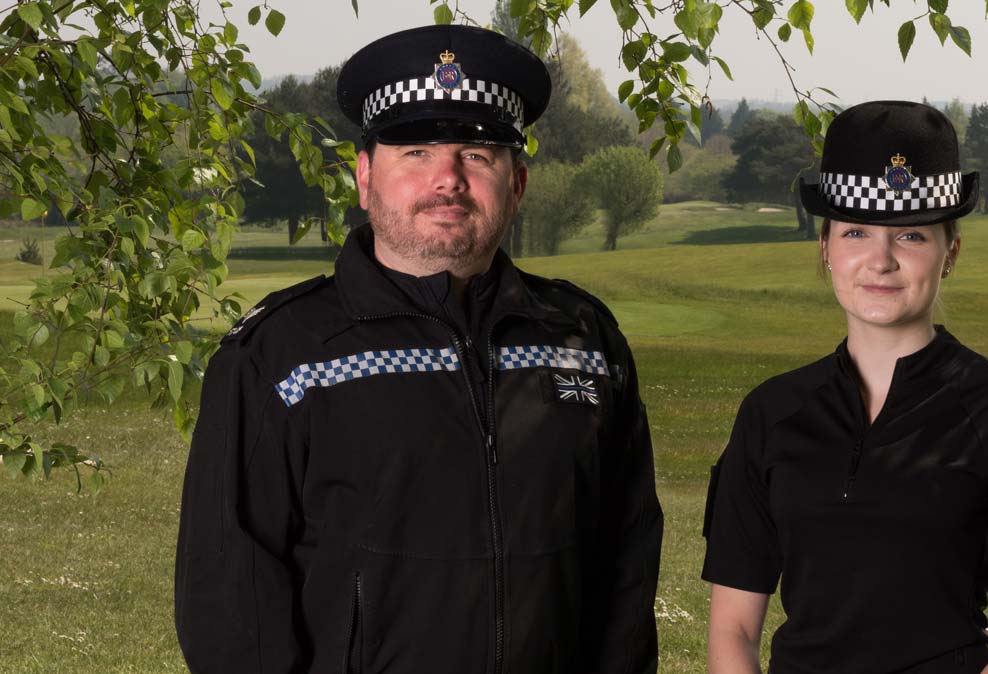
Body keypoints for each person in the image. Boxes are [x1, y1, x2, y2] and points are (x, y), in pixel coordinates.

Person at [175, 25, 663, 674]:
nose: (448, 180)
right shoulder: (279, 358)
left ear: (516, 184)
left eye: (478, 155)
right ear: (365, 176)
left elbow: (626, 571)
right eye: (417, 152)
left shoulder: (583, 340)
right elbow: (230, 611)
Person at [702, 101, 988, 674]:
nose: (879, 261)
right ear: (826, 249)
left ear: (950, 253)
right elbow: (731, 633)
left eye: (910, 236)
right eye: (855, 231)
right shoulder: (770, 413)